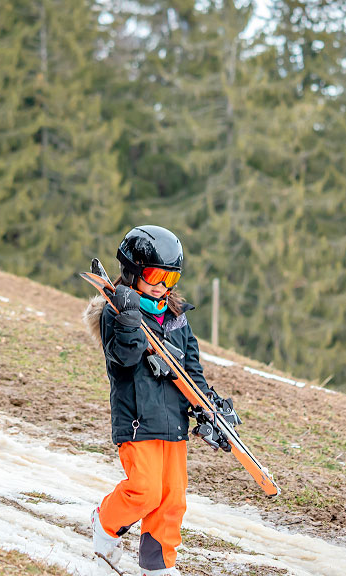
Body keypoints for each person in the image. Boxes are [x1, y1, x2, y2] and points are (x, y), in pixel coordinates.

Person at [83, 225, 224, 576]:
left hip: (174, 422)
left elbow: (191, 366)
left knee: (171, 498)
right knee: (144, 491)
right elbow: (122, 361)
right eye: (154, 275)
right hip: (137, 421)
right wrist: (130, 323)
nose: (162, 286)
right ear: (132, 271)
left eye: (170, 278)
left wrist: (207, 403)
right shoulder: (116, 312)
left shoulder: (176, 318)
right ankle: (105, 523)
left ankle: (157, 566)